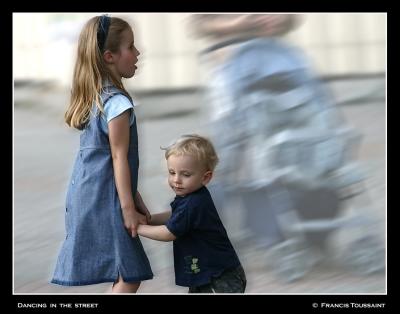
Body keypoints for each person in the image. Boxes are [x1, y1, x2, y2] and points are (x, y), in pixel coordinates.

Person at [51, 15, 153, 293]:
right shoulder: (117, 104)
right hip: (104, 198)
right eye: (131, 47)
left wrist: (135, 197)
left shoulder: (98, 98)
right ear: (109, 56)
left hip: (87, 192)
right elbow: (119, 158)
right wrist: (128, 208)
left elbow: (109, 159)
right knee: (128, 273)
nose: (137, 53)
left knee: (123, 269)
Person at [137, 134, 246, 293]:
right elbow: (175, 216)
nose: (177, 180)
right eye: (172, 172)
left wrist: (138, 228)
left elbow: (169, 233)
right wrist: (149, 220)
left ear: (206, 177)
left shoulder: (194, 202)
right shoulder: (191, 196)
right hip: (207, 274)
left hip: (219, 278)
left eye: (185, 174)